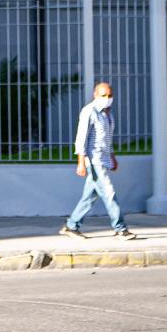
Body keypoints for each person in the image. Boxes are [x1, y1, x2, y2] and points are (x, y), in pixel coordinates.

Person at [60, 82, 136, 240]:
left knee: (90, 196)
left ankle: (71, 226)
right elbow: (81, 138)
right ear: (95, 95)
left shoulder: (108, 114)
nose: (107, 99)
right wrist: (80, 162)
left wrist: (112, 158)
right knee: (109, 192)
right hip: (93, 160)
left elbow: (106, 139)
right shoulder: (89, 111)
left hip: (103, 159)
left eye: (109, 95)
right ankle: (120, 229)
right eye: (103, 95)